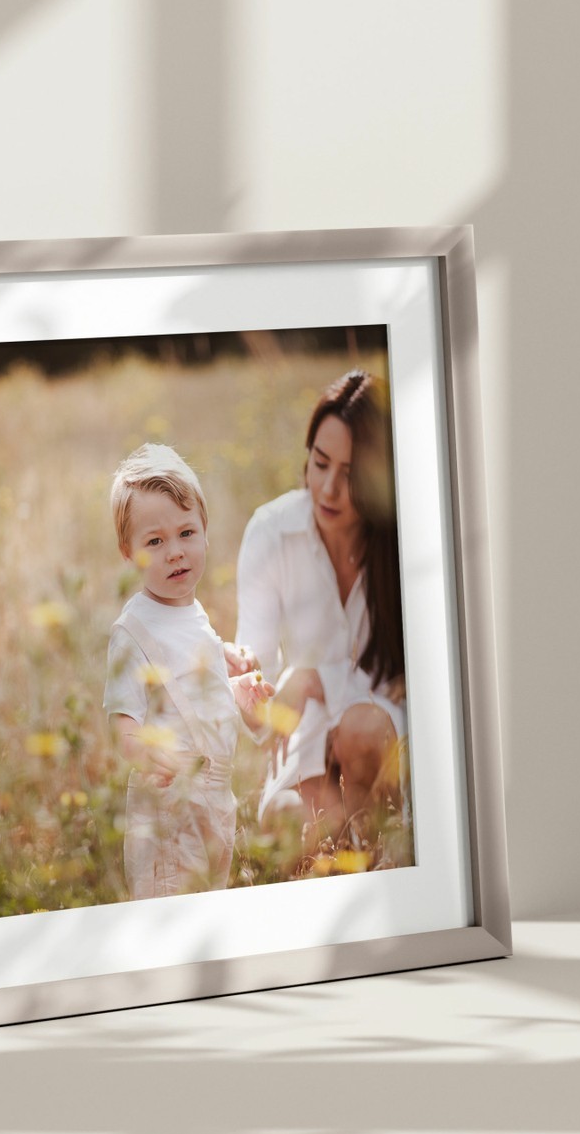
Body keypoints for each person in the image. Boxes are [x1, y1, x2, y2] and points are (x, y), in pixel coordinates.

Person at [234, 369, 407, 850]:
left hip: (385, 739)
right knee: (288, 828)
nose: (328, 489)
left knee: (360, 727)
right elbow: (261, 694)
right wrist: (249, 685)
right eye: (320, 463)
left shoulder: (405, 540)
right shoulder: (271, 532)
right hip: (308, 740)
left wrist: (315, 676)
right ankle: (353, 847)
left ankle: (378, 854)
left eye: (350, 474)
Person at [104, 444, 273, 898]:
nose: (174, 552)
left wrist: (233, 685)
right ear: (128, 552)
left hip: (217, 800)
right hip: (168, 807)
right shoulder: (133, 631)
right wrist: (141, 750)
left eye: (186, 533)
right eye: (154, 541)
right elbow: (121, 721)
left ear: (205, 533)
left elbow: (193, 683)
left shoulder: (193, 612)